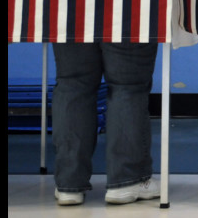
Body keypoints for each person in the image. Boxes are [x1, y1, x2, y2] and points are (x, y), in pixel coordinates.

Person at [51, 42, 160, 206]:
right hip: (126, 17)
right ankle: (128, 179)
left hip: (71, 17)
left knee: (73, 84)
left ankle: (69, 184)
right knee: (127, 86)